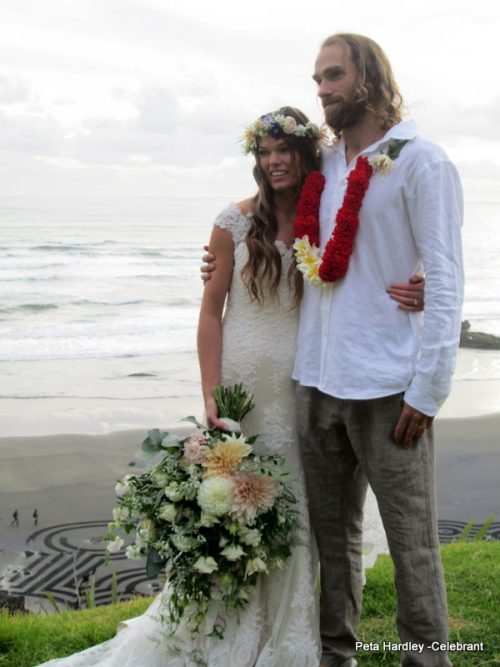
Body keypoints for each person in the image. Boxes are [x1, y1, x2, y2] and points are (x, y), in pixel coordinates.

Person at [34, 107, 423, 667]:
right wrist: (212, 392)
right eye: (263, 154)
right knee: (238, 505)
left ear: (305, 153)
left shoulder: (332, 217)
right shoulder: (233, 221)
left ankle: (293, 630)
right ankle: (227, 622)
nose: (273, 163)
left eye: (282, 151)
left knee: (299, 506)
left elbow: (374, 263)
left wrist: (426, 282)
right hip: (246, 381)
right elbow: (211, 312)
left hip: (307, 379)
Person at [202, 34, 463, 667]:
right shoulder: (329, 168)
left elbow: (448, 277)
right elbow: (279, 221)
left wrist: (429, 389)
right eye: (317, 79)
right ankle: (333, 655)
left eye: (333, 76)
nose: (322, 90)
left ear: (370, 78)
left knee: (412, 543)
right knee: (332, 541)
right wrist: (219, 260)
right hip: (314, 384)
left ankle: (426, 660)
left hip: (389, 388)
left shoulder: (421, 162)